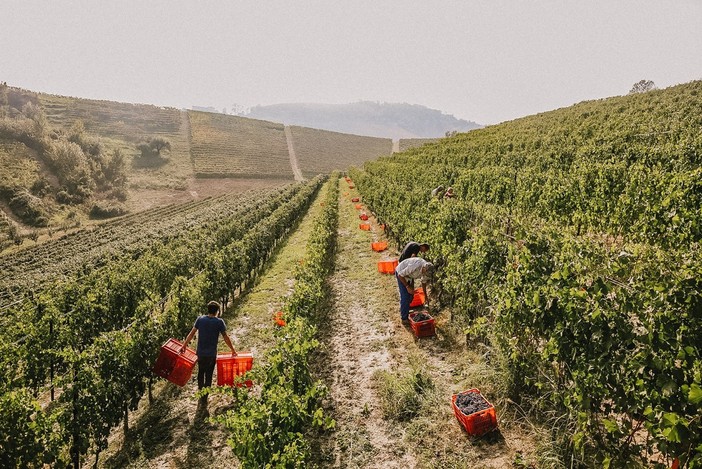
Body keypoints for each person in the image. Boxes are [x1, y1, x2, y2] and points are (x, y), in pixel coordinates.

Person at [180, 301, 237, 393]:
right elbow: (225, 337)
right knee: (209, 373)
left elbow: (191, 333)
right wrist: (232, 350)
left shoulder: (200, 319)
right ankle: (206, 392)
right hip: (211, 354)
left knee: (201, 371)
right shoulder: (219, 322)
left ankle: (200, 390)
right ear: (217, 311)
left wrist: (184, 345)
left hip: (200, 353)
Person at [395, 257, 434, 324]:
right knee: (405, 296)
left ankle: (405, 308)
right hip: (401, 273)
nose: (426, 275)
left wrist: (425, 296)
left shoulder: (427, 271)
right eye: (425, 273)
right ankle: (404, 318)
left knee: (411, 295)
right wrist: (407, 286)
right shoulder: (415, 265)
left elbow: (423, 282)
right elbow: (400, 275)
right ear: (424, 268)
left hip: (410, 276)